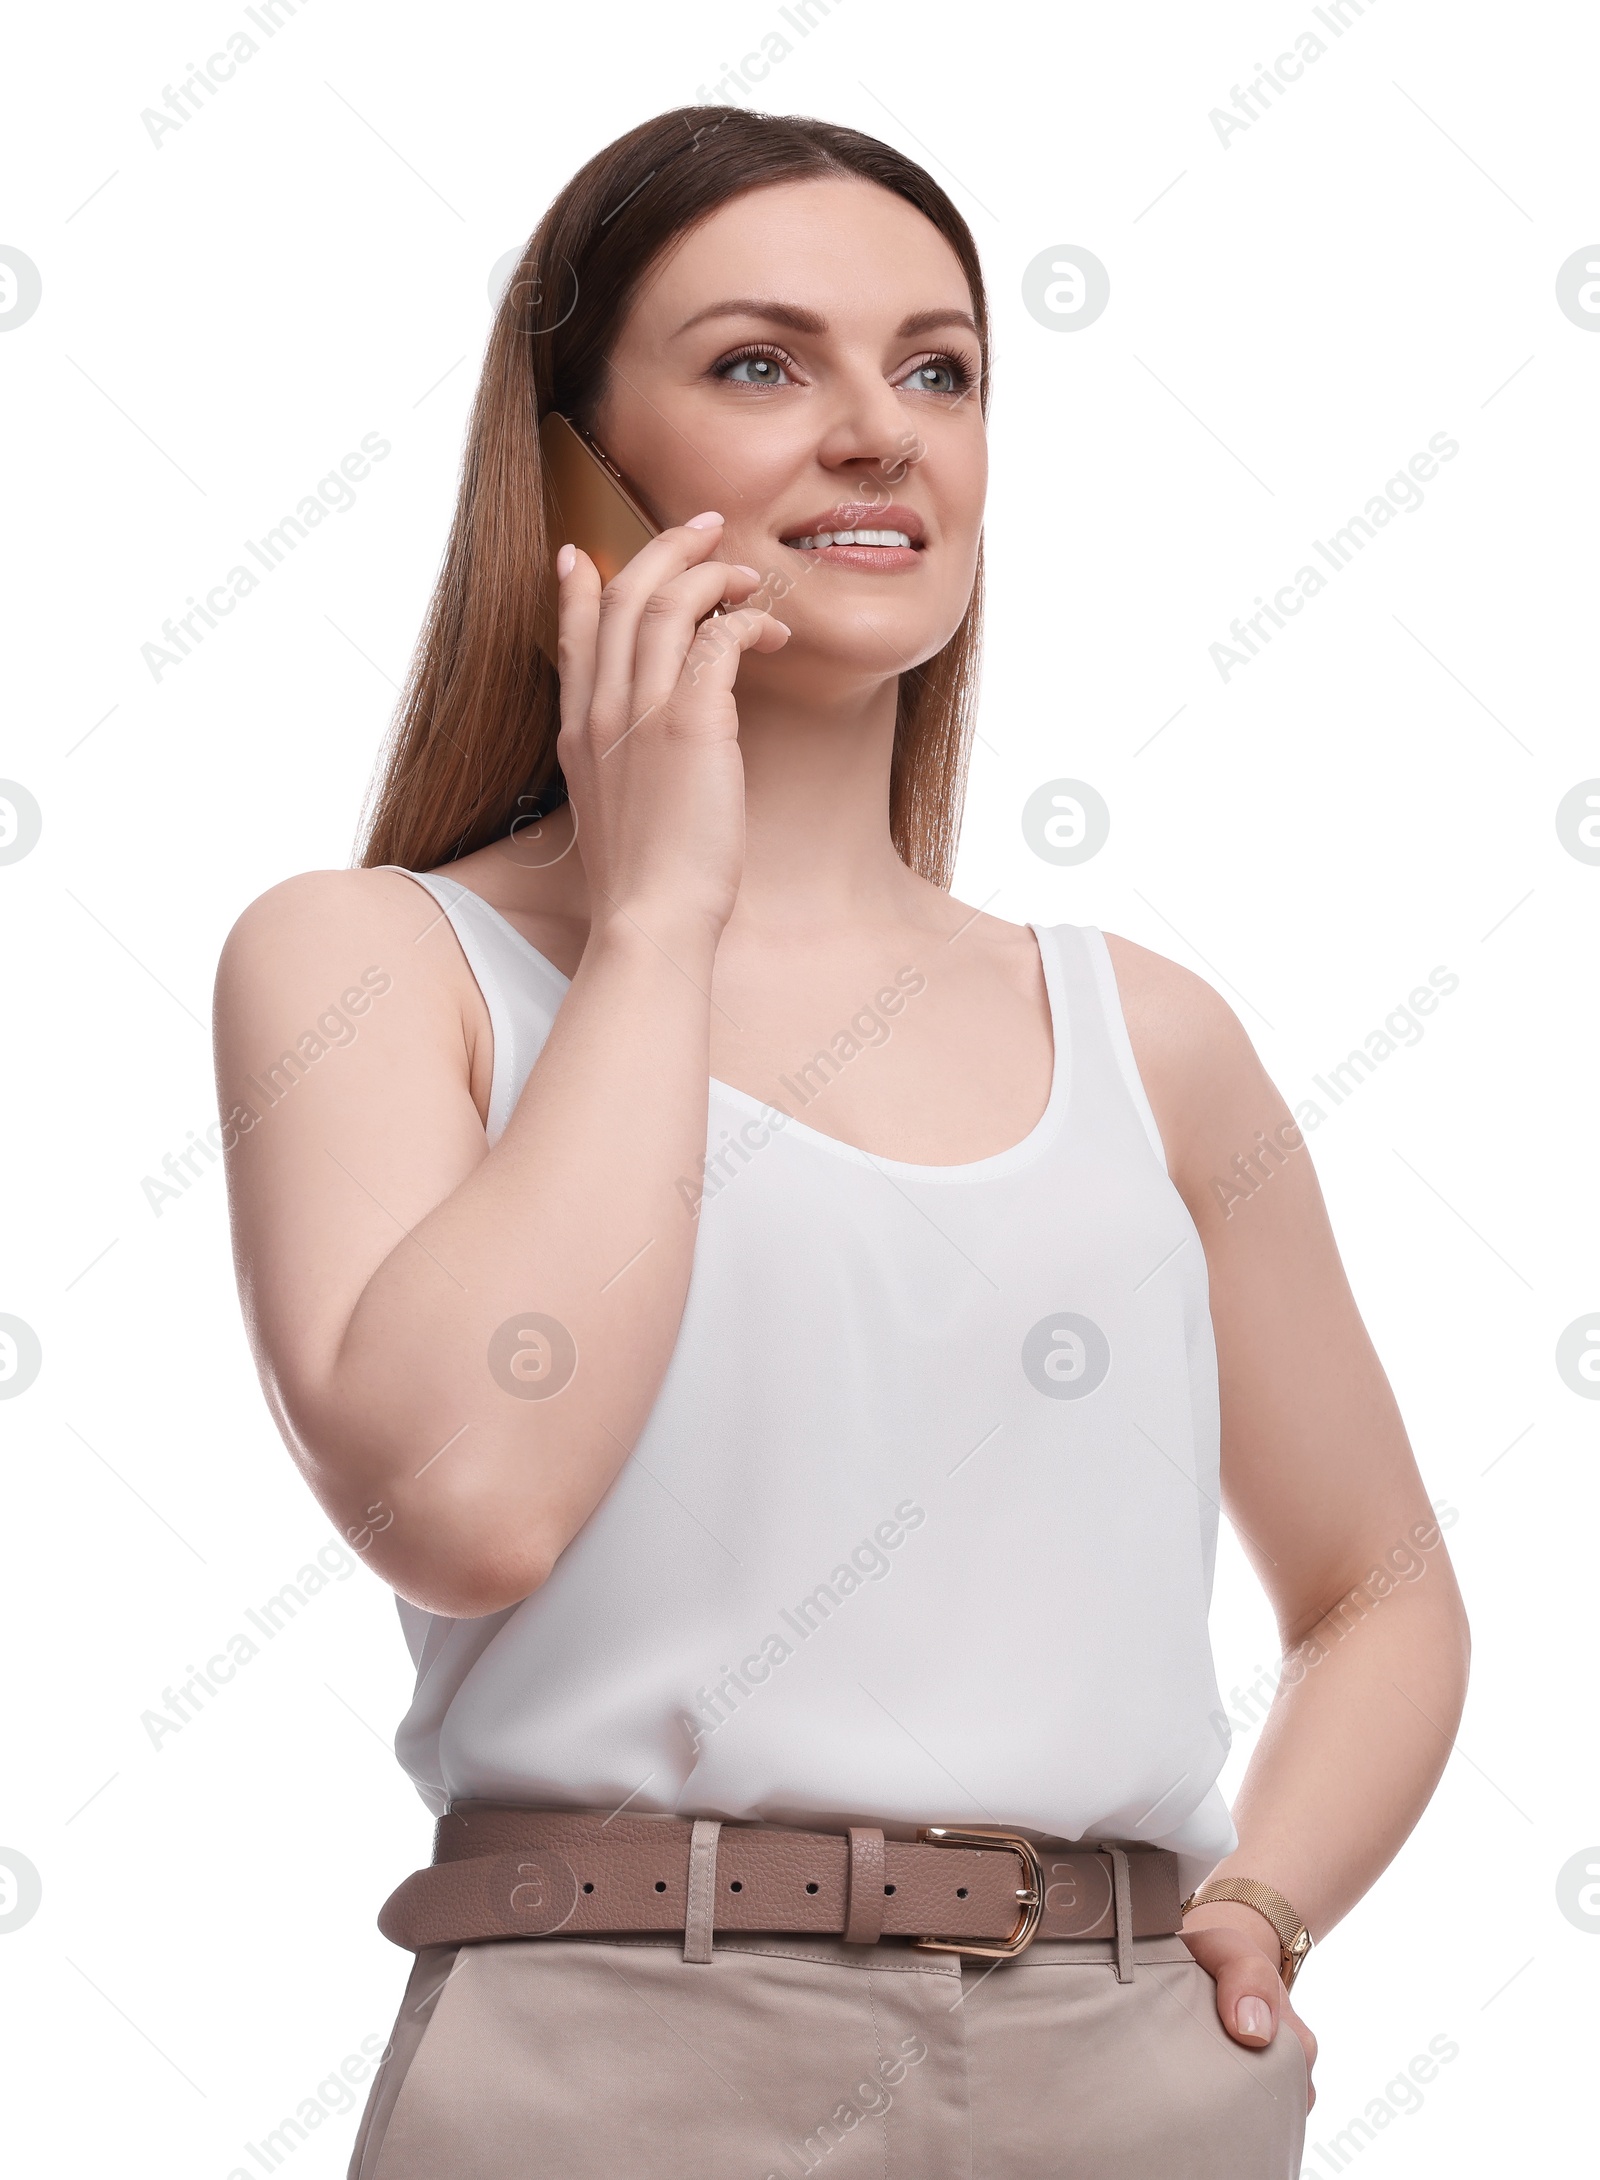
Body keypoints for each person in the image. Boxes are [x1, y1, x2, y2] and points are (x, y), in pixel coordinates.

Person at [212, 105, 1470, 2180]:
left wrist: (1251, 1918)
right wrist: (649, 920)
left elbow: (1379, 1582)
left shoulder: (1144, 1034)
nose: (880, 430)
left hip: (1123, 2064)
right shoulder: (373, 964)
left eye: (938, 366)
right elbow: (469, 1501)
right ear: (569, 467)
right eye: (757, 363)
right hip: (620, 2052)